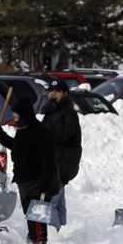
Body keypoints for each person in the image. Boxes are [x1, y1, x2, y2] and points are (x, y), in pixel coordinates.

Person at [0, 98, 60, 244]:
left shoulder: (41, 133)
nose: (15, 121)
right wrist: (2, 136)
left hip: (38, 180)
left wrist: (45, 183)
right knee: (28, 212)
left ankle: (39, 242)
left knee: (36, 214)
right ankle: (34, 239)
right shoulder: (22, 130)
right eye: (14, 117)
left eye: (17, 117)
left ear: (26, 116)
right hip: (24, 180)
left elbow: (48, 160)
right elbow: (18, 148)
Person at [41, 78, 82, 229]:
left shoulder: (68, 113)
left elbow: (63, 135)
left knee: (50, 201)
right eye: (51, 91)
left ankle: (53, 232)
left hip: (63, 162)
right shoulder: (51, 111)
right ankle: (63, 229)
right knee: (58, 201)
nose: (53, 94)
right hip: (55, 161)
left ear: (64, 94)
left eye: (57, 91)